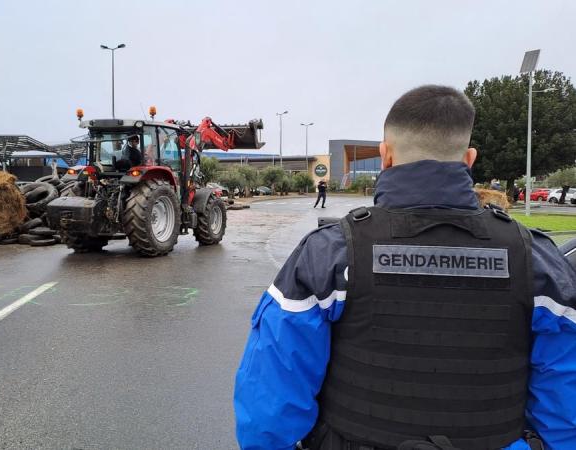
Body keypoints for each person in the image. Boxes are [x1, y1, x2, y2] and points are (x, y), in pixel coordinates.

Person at [234, 85, 576, 450]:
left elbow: (269, 411)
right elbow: (565, 412)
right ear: (470, 158)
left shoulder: (328, 254)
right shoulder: (537, 260)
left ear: (385, 156)